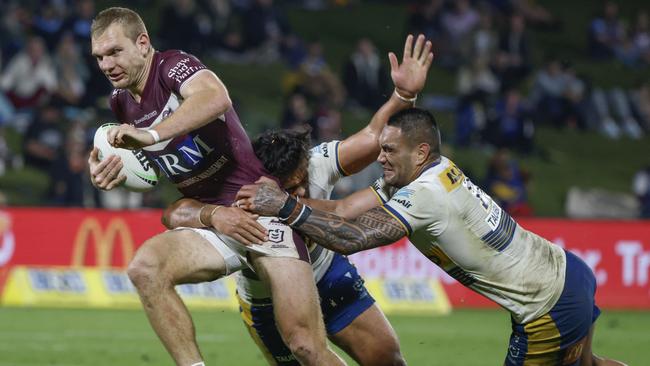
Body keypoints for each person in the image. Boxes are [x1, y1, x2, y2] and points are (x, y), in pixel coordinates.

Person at [236, 107, 628, 366]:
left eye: (389, 150)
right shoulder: (433, 170)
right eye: (381, 149)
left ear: (420, 151)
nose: (380, 158)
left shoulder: (425, 195)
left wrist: (286, 209)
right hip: (569, 271)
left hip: (546, 308)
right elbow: (341, 210)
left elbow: (351, 237)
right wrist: (287, 199)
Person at [87, 7, 345, 366]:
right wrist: (111, 171)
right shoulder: (120, 102)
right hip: (213, 223)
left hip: (259, 212)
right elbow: (154, 167)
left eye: (115, 52)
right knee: (145, 269)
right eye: (99, 57)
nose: (106, 64)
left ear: (143, 43)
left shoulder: (172, 66)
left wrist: (150, 135)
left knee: (305, 347)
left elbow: (215, 98)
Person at [162, 34, 433, 366]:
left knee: (388, 360)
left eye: (305, 180)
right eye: (294, 187)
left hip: (327, 275)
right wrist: (212, 215)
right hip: (269, 301)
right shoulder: (239, 187)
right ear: (267, 180)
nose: (304, 190)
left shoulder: (314, 162)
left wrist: (403, 94)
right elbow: (175, 212)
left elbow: (371, 138)